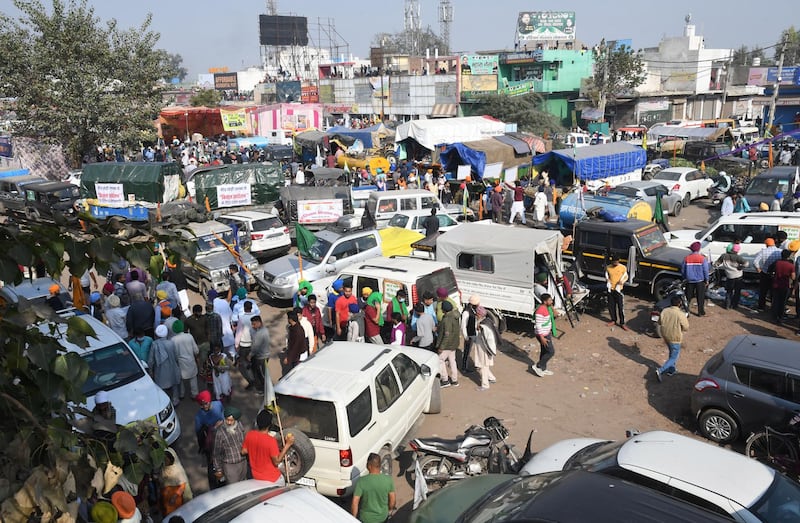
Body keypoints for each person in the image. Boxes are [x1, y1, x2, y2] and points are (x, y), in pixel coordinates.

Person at [241, 410, 295, 485]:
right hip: (272, 479)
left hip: (255, 477)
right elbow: (276, 462)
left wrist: (255, 450)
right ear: (270, 425)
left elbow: (244, 451)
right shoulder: (271, 441)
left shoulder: (250, 435)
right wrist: (288, 445)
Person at [351, 452, 396, 523]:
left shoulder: (362, 481)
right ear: (379, 465)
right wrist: (389, 509)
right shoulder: (388, 480)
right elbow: (392, 500)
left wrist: (353, 518)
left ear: (369, 465)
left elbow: (355, 502)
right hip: (382, 517)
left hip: (366, 519)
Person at [655, 295, 689, 382]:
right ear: (679, 303)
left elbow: (659, 322)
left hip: (666, 336)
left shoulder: (665, 311)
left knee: (671, 353)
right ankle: (660, 370)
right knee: (674, 356)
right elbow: (686, 327)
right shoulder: (680, 314)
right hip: (675, 337)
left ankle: (671, 370)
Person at [212, 406, 247, 486]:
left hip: (242, 462)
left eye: (231, 420)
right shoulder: (220, 432)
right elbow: (217, 453)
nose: (229, 422)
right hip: (230, 465)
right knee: (233, 487)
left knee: (244, 484)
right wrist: (218, 469)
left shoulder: (240, 426)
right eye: (227, 420)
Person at [148, 325, 181, 406]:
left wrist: (150, 370)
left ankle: (165, 403)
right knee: (174, 385)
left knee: (162, 387)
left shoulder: (154, 344)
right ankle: (175, 400)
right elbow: (176, 356)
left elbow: (151, 360)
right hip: (172, 367)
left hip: (160, 370)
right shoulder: (171, 343)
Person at [472, 307, 499, 391]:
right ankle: (491, 378)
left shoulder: (483, 325)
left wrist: (489, 349)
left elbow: (487, 338)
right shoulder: (487, 322)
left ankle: (485, 385)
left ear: (480, 314)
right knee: (485, 365)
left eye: (477, 313)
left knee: (483, 366)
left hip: (484, 349)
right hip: (484, 348)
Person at [171, 320, 200, 400]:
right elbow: (196, 350)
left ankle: (182, 394)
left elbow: (174, 354)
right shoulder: (189, 336)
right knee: (193, 378)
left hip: (180, 363)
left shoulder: (173, 340)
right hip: (190, 360)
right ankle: (195, 394)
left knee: (180, 380)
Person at [714, 243, 748, 310]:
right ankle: (734, 305)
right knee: (737, 291)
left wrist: (714, 265)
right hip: (738, 276)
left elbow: (716, 264)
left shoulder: (723, 256)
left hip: (729, 276)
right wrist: (740, 267)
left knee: (729, 291)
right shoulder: (738, 257)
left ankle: (727, 305)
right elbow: (746, 264)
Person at [194, 389, 224, 460]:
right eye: (202, 405)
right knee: (209, 443)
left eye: (206, 403)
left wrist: (222, 421)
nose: (204, 406)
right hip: (211, 429)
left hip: (222, 425)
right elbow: (198, 431)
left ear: (210, 401)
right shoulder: (199, 416)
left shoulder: (218, 404)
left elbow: (223, 413)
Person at [161, 448, 193, 515]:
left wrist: (174, 497)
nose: (165, 461)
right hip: (166, 498)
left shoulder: (177, 469)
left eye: (167, 459)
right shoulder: (163, 468)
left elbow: (182, 486)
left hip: (175, 500)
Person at [531, 294, 556, 377]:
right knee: (551, 352)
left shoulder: (546, 308)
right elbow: (538, 325)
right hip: (543, 335)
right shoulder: (540, 310)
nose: (551, 302)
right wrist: (542, 337)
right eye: (550, 300)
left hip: (546, 333)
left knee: (544, 351)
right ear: (545, 301)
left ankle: (543, 368)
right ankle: (538, 365)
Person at [436, 300, 460, 387]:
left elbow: (446, 334)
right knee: (452, 361)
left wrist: (441, 347)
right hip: (454, 343)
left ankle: (445, 379)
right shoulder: (456, 316)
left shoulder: (447, 319)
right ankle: (454, 380)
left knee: (440, 360)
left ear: (444, 310)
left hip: (447, 345)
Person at [682, 241, 710, 317]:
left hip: (689, 281)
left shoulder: (686, 258)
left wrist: (684, 278)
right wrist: (707, 280)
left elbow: (683, 270)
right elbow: (705, 270)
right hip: (700, 281)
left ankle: (686, 311)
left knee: (688, 297)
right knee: (700, 297)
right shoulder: (702, 258)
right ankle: (701, 312)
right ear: (699, 249)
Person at [754, 238, 781, 310]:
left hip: (765, 273)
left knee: (763, 291)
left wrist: (758, 269)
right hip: (775, 275)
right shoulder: (780, 251)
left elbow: (755, 262)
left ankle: (761, 307)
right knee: (774, 292)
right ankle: (773, 307)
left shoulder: (763, 251)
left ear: (766, 244)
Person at [770, 249, 795, 324]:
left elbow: (769, 269)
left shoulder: (777, 263)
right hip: (785, 285)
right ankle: (780, 317)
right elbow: (793, 277)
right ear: (788, 256)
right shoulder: (791, 265)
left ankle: (774, 317)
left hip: (776, 284)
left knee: (775, 301)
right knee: (783, 302)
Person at [605, 255, 629, 330]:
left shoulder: (623, 267)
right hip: (611, 289)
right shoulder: (608, 267)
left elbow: (626, 276)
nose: (615, 263)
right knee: (611, 306)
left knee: (620, 307)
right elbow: (606, 274)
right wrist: (607, 280)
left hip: (619, 290)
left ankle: (622, 323)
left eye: (616, 262)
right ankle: (613, 320)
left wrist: (622, 281)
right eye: (614, 262)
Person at [249, 315, 271, 393]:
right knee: (263, 372)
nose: (253, 326)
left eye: (254, 324)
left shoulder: (259, 333)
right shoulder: (265, 330)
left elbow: (255, 347)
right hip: (266, 355)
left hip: (261, 357)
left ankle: (264, 389)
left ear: (259, 323)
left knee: (261, 374)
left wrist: (250, 355)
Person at [460, 295, 481, 373]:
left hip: (474, 333)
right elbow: (463, 326)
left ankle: (476, 364)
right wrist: (466, 337)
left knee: (476, 349)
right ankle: (464, 367)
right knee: (467, 351)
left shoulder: (473, 310)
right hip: (469, 335)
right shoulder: (466, 312)